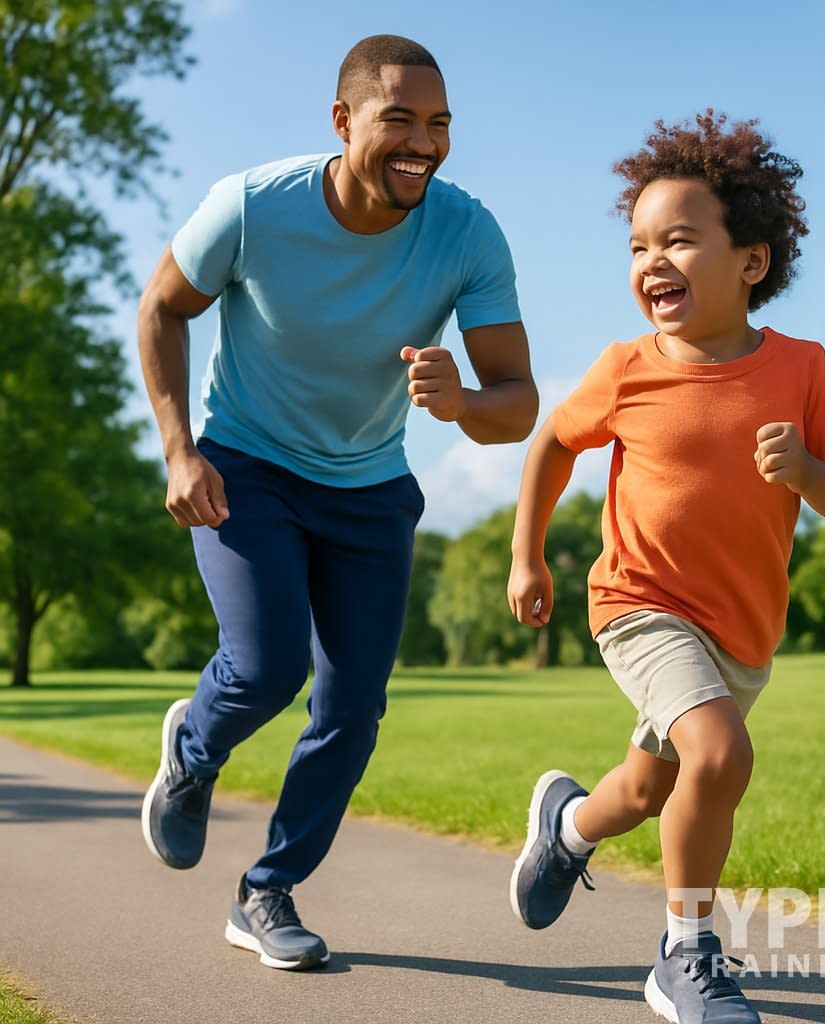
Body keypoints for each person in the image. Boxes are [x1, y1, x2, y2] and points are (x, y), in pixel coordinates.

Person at [137, 34, 537, 971]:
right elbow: (162, 307)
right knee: (269, 667)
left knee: (353, 705)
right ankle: (192, 753)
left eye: (439, 124)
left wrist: (463, 400)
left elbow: (514, 403)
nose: (423, 144)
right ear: (343, 119)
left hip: (367, 484)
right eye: (399, 118)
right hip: (249, 466)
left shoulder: (466, 232)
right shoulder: (249, 206)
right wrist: (179, 452)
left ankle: (268, 889)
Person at [506, 111, 825, 1023]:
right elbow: (554, 440)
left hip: (741, 629)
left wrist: (811, 472)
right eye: (638, 245)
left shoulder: (801, 370)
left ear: (752, 261)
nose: (651, 262)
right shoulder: (629, 367)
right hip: (639, 603)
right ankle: (685, 954)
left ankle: (566, 826)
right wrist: (528, 553)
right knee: (720, 752)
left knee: (648, 789)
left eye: (678, 239)